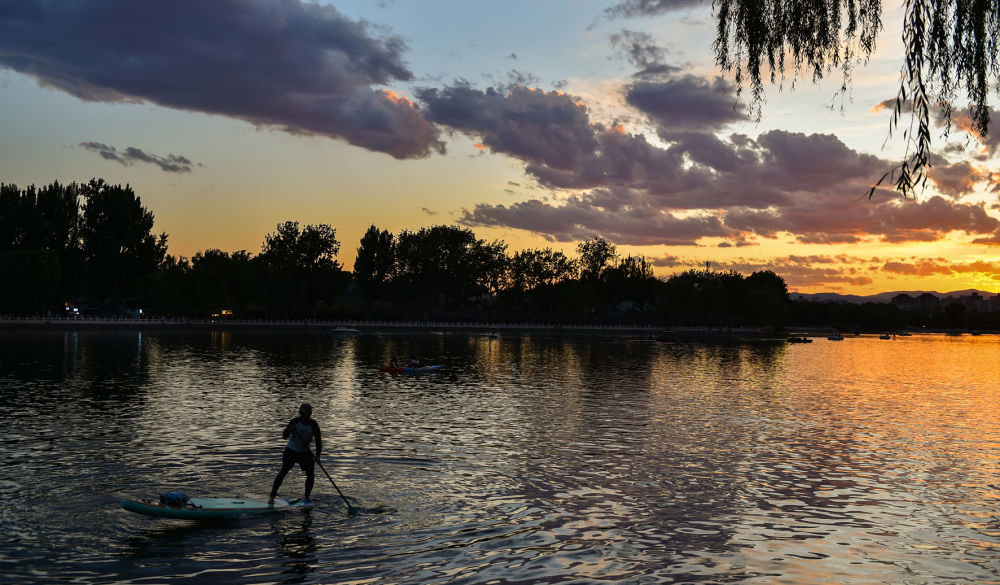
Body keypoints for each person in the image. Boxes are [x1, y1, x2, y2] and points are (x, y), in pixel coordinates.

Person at [268, 402, 322, 505]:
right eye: (302, 413)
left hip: (305, 453)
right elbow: (284, 436)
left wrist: (318, 456)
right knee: (283, 472)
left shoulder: (314, 425)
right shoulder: (295, 422)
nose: (303, 416)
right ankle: (272, 497)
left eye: (306, 414)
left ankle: (307, 497)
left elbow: (319, 441)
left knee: (310, 475)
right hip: (291, 451)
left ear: (310, 414)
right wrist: (289, 430)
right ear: (300, 413)